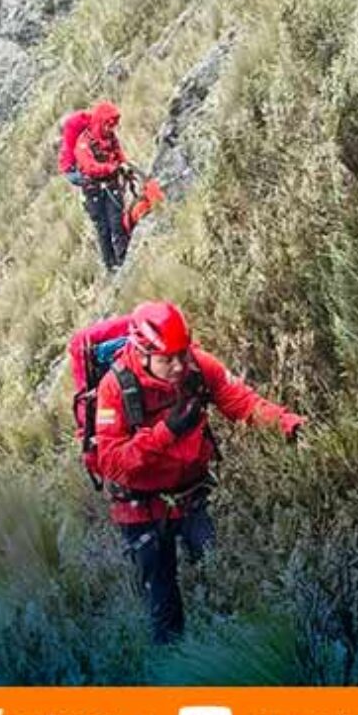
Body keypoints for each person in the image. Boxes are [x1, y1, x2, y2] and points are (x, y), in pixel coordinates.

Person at [89, 301, 307, 644]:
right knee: (164, 608)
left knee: (226, 576)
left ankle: (236, 653)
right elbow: (112, 462)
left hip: (193, 494)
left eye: (182, 353)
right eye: (167, 359)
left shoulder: (198, 367)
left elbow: (242, 402)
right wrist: (167, 433)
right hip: (139, 510)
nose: (179, 366)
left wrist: (289, 424)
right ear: (142, 353)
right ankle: (173, 675)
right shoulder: (115, 388)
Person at [71, 100, 134, 271]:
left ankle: (125, 261)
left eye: (113, 125)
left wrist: (124, 165)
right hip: (94, 193)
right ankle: (111, 266)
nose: (111, 129)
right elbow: (91, 168)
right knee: (104, 230)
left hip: (112, 187)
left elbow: (119, 155)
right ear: (100, 122)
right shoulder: (84, 143)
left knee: (118, 224)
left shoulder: (111, 139)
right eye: (108, 125)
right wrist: (114, 167)